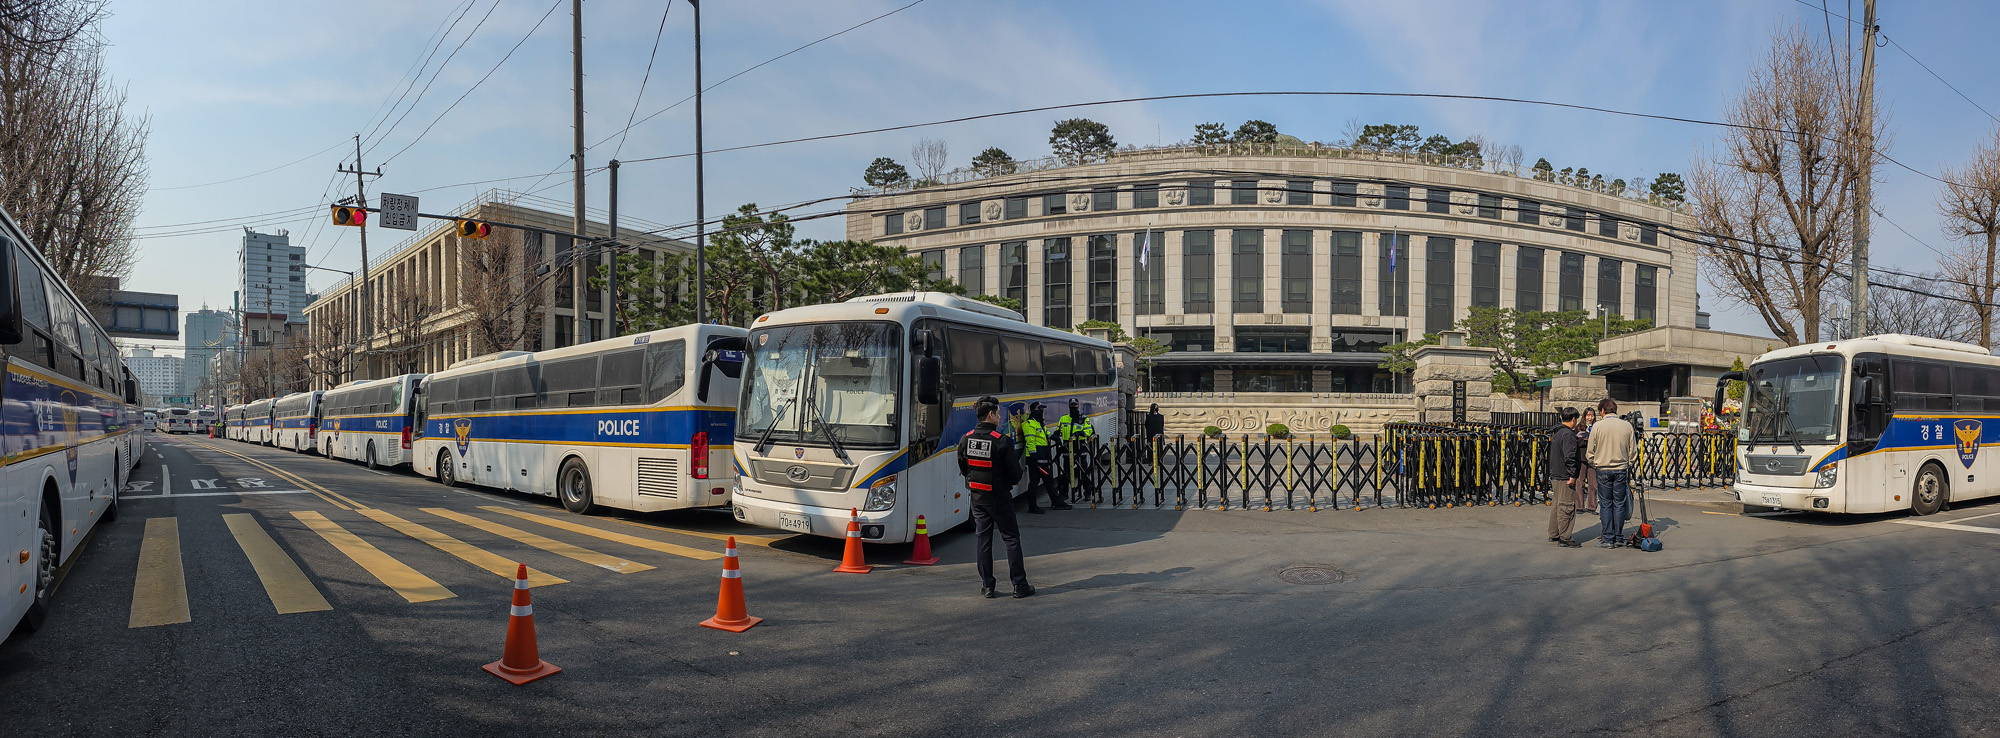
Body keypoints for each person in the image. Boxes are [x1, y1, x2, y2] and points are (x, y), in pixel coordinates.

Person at [956, 398, 1034, 598]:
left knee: (983, 540)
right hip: (999, 497)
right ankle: (1019, 585)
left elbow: (964, 468)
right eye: (998, 413)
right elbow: (1015, 474)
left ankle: (987, 586)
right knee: (1011, 539)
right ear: (990, 415)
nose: (1000, 417)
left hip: (977, 497)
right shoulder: (1001, 440)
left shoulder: (966, 439)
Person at [1585, 398, 1636, 548]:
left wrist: (1595, 463)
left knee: (1606, 504)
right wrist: (1627, 464)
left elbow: (1590, 451)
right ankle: (1619, 537)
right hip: (1621, 469)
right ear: (1615, 410)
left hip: (1603, 469)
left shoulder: (1597, 426)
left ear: (1602, 411)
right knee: (1619, 503)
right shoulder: (1627, 426)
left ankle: (1608, 538)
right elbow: (1633, 451)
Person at [1544, 407, 1584, 548]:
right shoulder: (1568, 435)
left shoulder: (1558, 432)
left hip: (1556, 474)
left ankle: (1554, 533)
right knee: (1566, 506)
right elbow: (1570, 456)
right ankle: (1565, 537)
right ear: (1573, 419)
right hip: (1565, 475)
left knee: (1557, 504)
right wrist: (1573, 474)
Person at [1019, 402, 1069, 513]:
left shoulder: (1039, 423)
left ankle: (1056, 502)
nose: (1042, 411)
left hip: (1043, 457)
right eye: (1040, 409)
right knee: (1034, 483)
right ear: (1034, 410)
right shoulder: (1029, 424)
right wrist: (1033, 455)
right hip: (1036, 459)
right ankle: (1032, 506)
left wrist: (1055, 437)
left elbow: (1046, 434)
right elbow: (1030, 440)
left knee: (1048, 480)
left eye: (1042, 409)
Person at [1056, 399, 1097, 504]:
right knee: (1066, 473)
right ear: (1069, 406)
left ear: (1078, 406)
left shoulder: (1084, 419)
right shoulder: (1063, 418)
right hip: (1067, 449)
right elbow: (1059, 431)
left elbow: (1089, 431)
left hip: (1080, 449)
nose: (1073, 407)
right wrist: (1055, 436)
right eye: (1071, 405)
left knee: (1084, 472)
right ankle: (1064, 493)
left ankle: (1087, 492)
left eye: (1075, 405)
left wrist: (1082, 433)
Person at [1576, 407, 1599, 514]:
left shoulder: (1597, 427)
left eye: (1592, 415)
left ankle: (1592, 506)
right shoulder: (1579, 427)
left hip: (1593, 458)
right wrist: (1583, 439)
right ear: (1584, 416)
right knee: (1580, 482)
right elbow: (1575, 442)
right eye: (1588, 415)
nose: (1590, 417)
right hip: (1581, 457)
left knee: (1593, 483)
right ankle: (1579, 506)